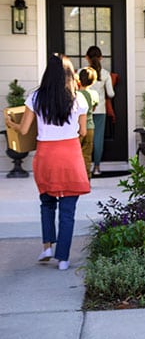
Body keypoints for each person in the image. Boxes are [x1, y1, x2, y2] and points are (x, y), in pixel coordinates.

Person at [4, 54, 90, 270]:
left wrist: (11, 124)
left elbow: (24, 130)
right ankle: (63, 259)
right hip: (70, 155)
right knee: (68, 209)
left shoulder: (35, 98)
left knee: (47, 202)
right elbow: (83, 132)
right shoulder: (79, 99)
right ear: (69, 74)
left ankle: (47, 247)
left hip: (46, 155)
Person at [86, 45, 115, 176]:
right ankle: (97, 167)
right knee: (98, 139)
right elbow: (111, 93)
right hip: (100, 110)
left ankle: (84, 168)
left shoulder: (82, 72)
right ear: (101, 58)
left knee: (84, 139)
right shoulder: (105, 74)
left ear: (87, 58)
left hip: (84, 110)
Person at [77, 67, 99, 179]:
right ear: (93, 80)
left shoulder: (75, 94)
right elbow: (93, 108)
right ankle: (86, 179)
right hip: (90, 126)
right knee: (87, 155)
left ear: (78, 79)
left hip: (77, 127)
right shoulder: (94, 94)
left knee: (75, 155)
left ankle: (76, 178)